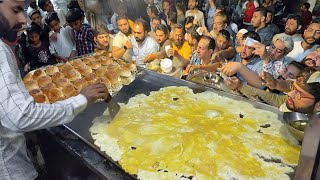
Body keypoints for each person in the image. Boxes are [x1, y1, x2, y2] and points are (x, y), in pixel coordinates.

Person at [0, 1, 108, 179]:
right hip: (11, 171)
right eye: (16, 10)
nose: (24, 20)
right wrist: (81, 99)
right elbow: (21, 115)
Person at [224, 68, 320, 113]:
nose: (290, 94)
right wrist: (240, 86)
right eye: (294, 89)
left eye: (300, 94)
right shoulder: (294, 103)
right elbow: (276, 99)